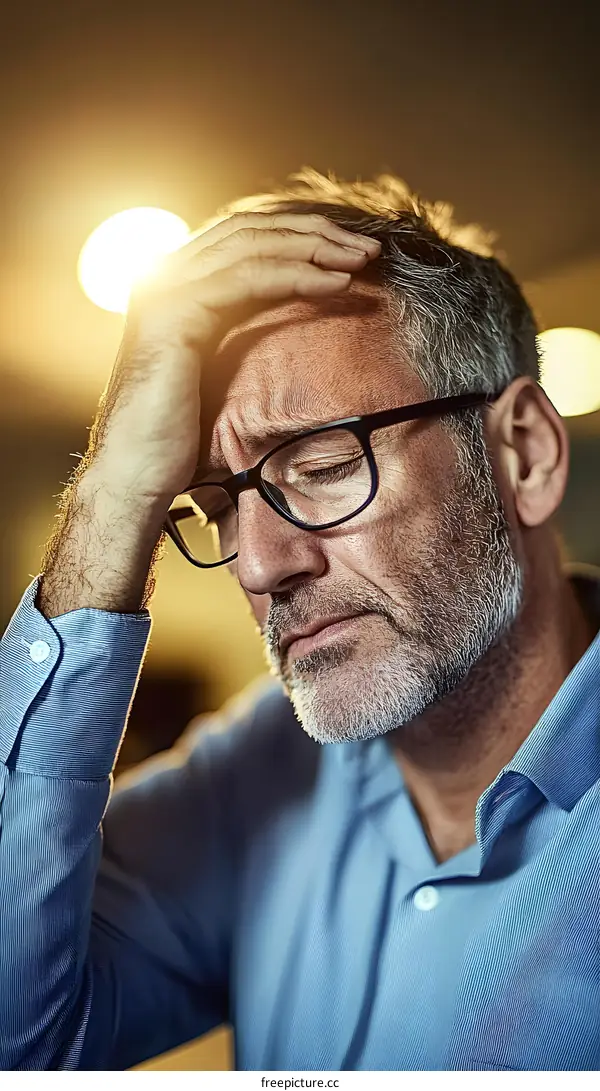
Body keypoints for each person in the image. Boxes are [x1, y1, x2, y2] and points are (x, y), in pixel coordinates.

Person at [0, 169, 598, 1072]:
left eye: (320, 464)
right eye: (211, 508)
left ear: (522, 454)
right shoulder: (257, 771)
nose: (259, 563)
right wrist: (114, 495)